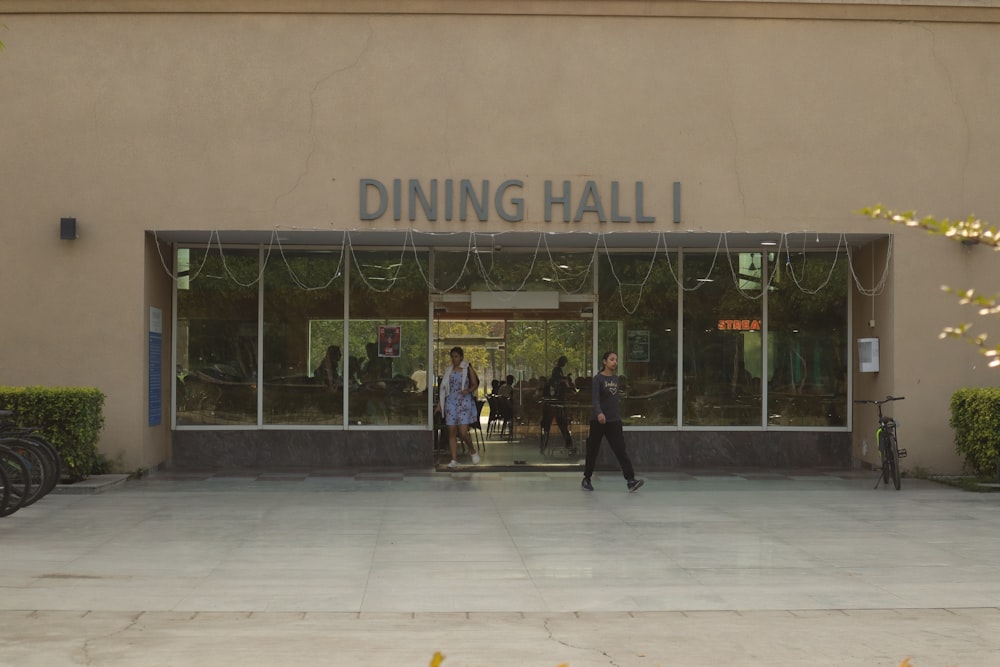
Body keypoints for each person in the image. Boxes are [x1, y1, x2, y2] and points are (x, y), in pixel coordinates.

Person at [582, 351, 644, 493]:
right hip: (599, 420)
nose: (614, 362)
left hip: (614, 420)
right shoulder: (598, 379)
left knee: (620, 450)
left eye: (616, 360)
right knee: (593, 450)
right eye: (611, 359)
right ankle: (587, 478)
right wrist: (599, 413)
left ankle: (630, 480)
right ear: (605, 362)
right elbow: (595, 399)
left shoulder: (616, 379)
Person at [436, 346, 481, 468]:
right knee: (451, 431)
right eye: (452, 357)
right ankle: (454, 459)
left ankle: (472, 451)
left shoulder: (467, 368)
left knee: (463, 432)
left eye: (456, 356)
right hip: (451, 401)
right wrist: (440, 404)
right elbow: (444, 388)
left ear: (461, 357)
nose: (454, 359)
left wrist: (468, 391)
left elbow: (475, 384)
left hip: (464, 401)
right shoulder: (449, 370)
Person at [541, 355, 575, 452]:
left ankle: (567, 442)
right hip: (555, 404)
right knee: (560, 423)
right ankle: (567, 442)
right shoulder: (556, 373)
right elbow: (558, 381)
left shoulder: (558, 372)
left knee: (561, 423)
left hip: (556, 404)